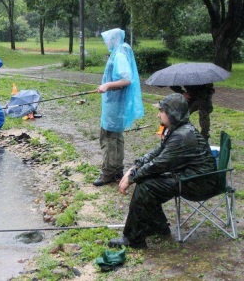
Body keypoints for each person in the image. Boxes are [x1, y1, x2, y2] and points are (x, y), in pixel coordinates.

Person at [108, 93, 219, 248]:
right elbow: (156, 153)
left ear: (171, 113)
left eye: (161, 111)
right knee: (148, 181)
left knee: (147, 186)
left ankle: (133, 239)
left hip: (199, 183)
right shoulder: (177, 130)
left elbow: (158, 164)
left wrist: (132, 177)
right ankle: (157, 226)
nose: (158, 114)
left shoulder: (183, 135)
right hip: (191, 177)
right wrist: (135, 167)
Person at [93, 28, 144, 187]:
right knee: (116, 137)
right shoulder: (121, 50)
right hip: (115, 103)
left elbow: (126, 79)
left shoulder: (120, 54)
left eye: (108, 39)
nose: (106, 42)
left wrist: (107, 85)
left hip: (115, 105)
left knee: (108, 137)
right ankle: (117, 171)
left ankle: (108, 173)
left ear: (114, 38)